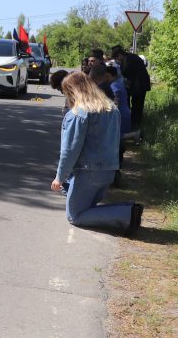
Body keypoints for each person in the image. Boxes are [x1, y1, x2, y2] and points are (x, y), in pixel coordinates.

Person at [49, 71, 142, 235]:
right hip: (108, 171)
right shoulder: (112, 110)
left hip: (88, 173)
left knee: (75, 216)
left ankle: (128, 213)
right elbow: (116, 142)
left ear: (72, 92)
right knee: (86, 207)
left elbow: (70, 150)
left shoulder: (78, 114)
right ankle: (127, 210)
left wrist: (59, 176)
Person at [111, 45, 150, 135]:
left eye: (117, 57)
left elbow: (126, 72)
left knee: (137, 106)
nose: (117, 60)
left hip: (140, 85)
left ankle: (135, 126)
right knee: (131, 104)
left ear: (120, 55)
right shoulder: (128, 58)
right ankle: (131, 124)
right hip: (136, 85)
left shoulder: (130, 59)